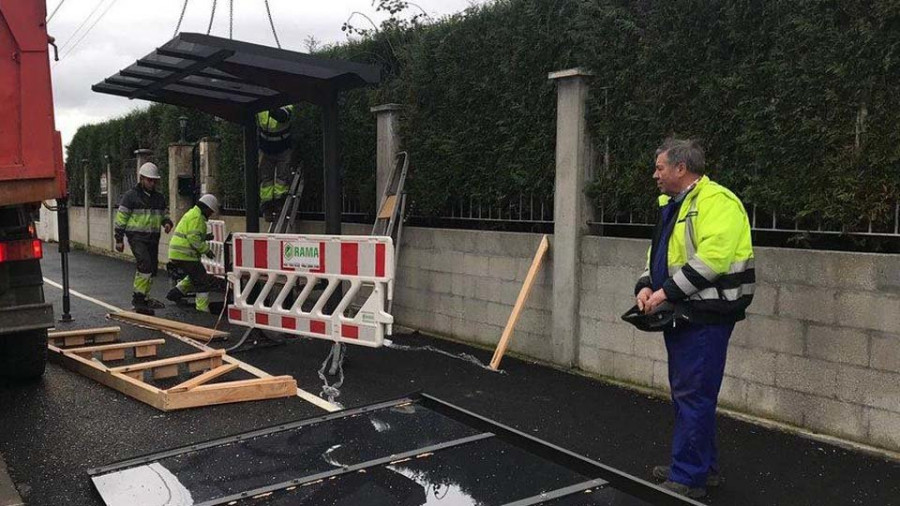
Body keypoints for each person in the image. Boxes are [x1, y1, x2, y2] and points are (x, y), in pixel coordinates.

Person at [634, 138, 755, 499]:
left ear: (681, 168)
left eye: (660, 167)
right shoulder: (677, 205)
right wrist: (645, 284)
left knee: (693, 394)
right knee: (690, 393)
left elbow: (713, 258)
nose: (655, 174)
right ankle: (702, 468)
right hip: (687, 310)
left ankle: (688, 478)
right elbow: (658, 253)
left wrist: (666, 292)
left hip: (706, 314)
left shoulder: (716, 202)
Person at [115, 162, 173, 316]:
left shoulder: (159, 198)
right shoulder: (130, 196)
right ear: (141, 179)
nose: (152, 183)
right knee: (145, 264)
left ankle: (145, 297)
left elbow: (164, 215)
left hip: (153, 237)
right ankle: (139, 298)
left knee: (152, 269)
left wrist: (167, 223)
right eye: (149, 180)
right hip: (137, 237)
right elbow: (121, 218)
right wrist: (119, 239)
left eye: (154, 181)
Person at [166, 194, 227, 313]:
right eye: (211, 212)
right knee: (201, 280)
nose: (210, 214)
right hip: (185, 255)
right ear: (206, 208)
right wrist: (206, 250)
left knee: (193, 276)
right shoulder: (197, 217)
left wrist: (205, 237)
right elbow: (193, 238)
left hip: (178, 253)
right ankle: (202, 309)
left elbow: (194, 234)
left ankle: (174, 294)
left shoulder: (192, 214)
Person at [256, 104, 295, 220]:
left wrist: (270, 106)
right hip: (265, 147)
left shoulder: (287, 102)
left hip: (283, 147)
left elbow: (282, 116)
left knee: (282, 178)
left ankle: (280, 204)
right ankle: (267, 207)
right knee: (265, 179)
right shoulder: (259, 102)